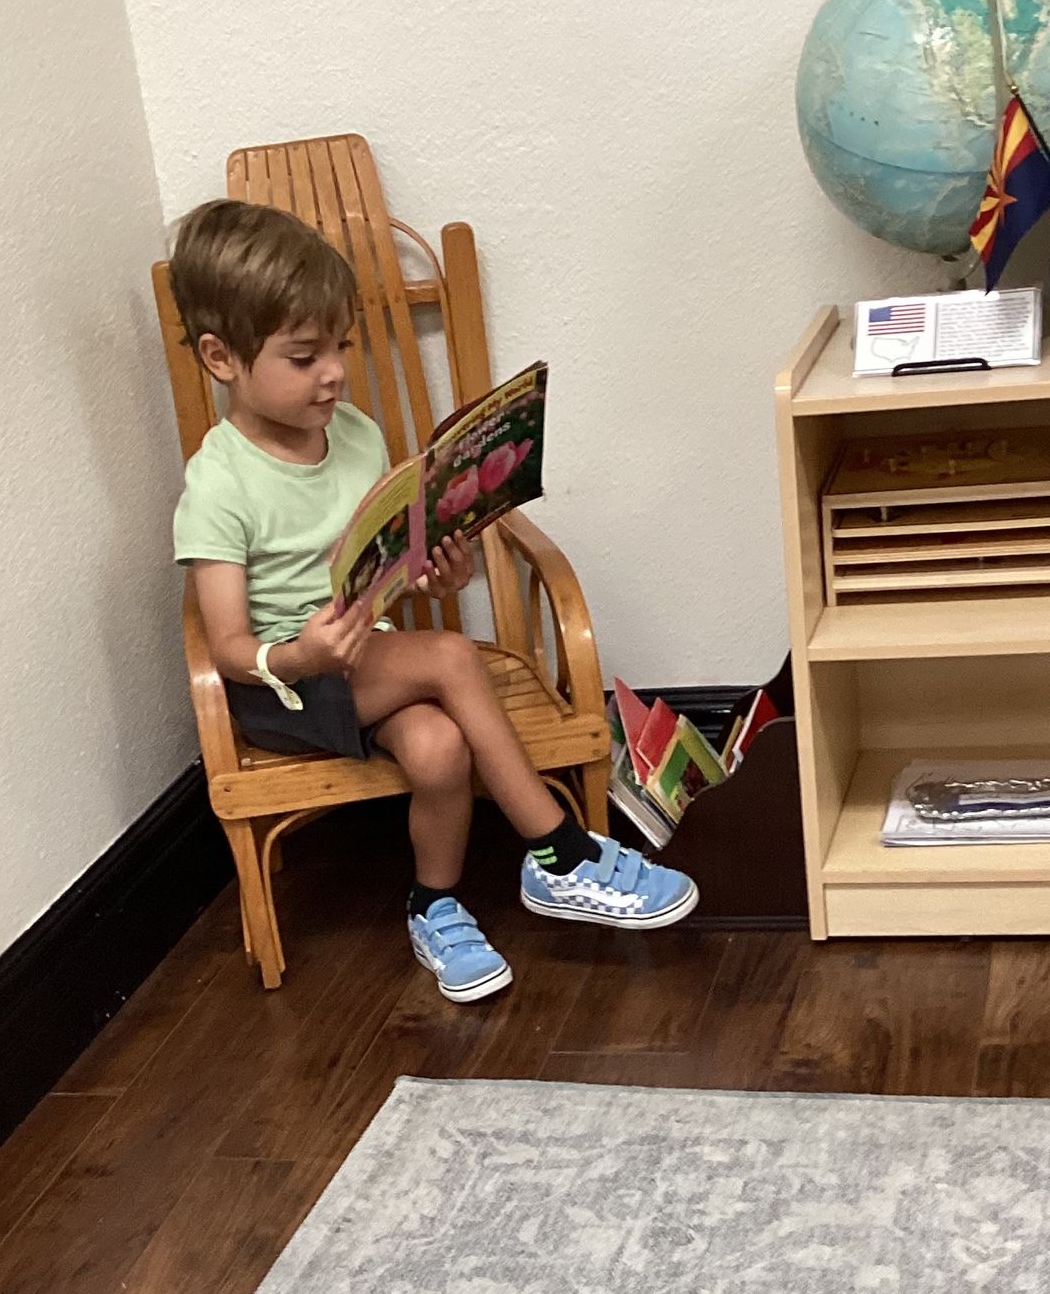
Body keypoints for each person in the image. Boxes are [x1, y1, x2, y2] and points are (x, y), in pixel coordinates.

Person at [169, 199, 696, 1001]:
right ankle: (559, 853)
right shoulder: (218, 482)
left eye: (339, 346)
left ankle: (434, 906)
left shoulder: (354, 434)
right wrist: (301, 655)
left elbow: (382, 567)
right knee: (450, 654)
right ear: (221, 359)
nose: (334, 372)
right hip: (283, 686)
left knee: (439, 750)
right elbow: (230, 646)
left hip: (364, 661)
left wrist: (440, 575)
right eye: (303, 356)